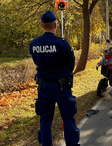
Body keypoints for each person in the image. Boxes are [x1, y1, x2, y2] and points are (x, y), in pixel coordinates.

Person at [29, 11, 80, 146]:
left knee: (45, 120)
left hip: (44, 87)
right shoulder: (62, 44)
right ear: (55, 25)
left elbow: (37, 62)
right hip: (62, 87)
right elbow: (71, 65)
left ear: (41, 25)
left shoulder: (34, 44)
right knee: (68, 118)